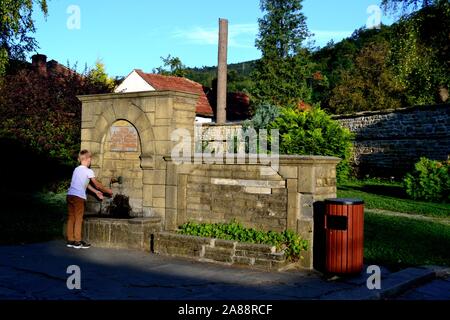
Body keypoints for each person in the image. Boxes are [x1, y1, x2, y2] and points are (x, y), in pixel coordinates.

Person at [66, 150, 112, 249]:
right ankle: (77, 241)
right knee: (79, 218)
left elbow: (85, 184)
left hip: (70, 195)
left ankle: (70, 240)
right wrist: (107, 191)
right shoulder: (88, 171)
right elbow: (97, 184)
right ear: (87, 159)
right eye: (90, 158)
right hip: (78, 197)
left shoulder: (76, 169)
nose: (90, 160)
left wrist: (96, 192)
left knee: (71, 217)